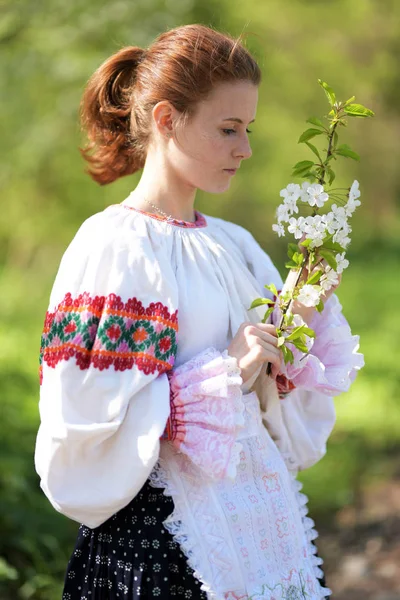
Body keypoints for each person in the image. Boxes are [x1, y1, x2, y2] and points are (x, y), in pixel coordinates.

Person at [35, 23, 364, 600]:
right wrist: (221, 378)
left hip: (260, 533)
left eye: (248, 129)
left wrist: (300, 323)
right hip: (161, 548)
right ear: (166, 120)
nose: (246, 148)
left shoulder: (234, 244)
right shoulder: (116, 245)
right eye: (228, 128)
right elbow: (85, 416)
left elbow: (281, 419)